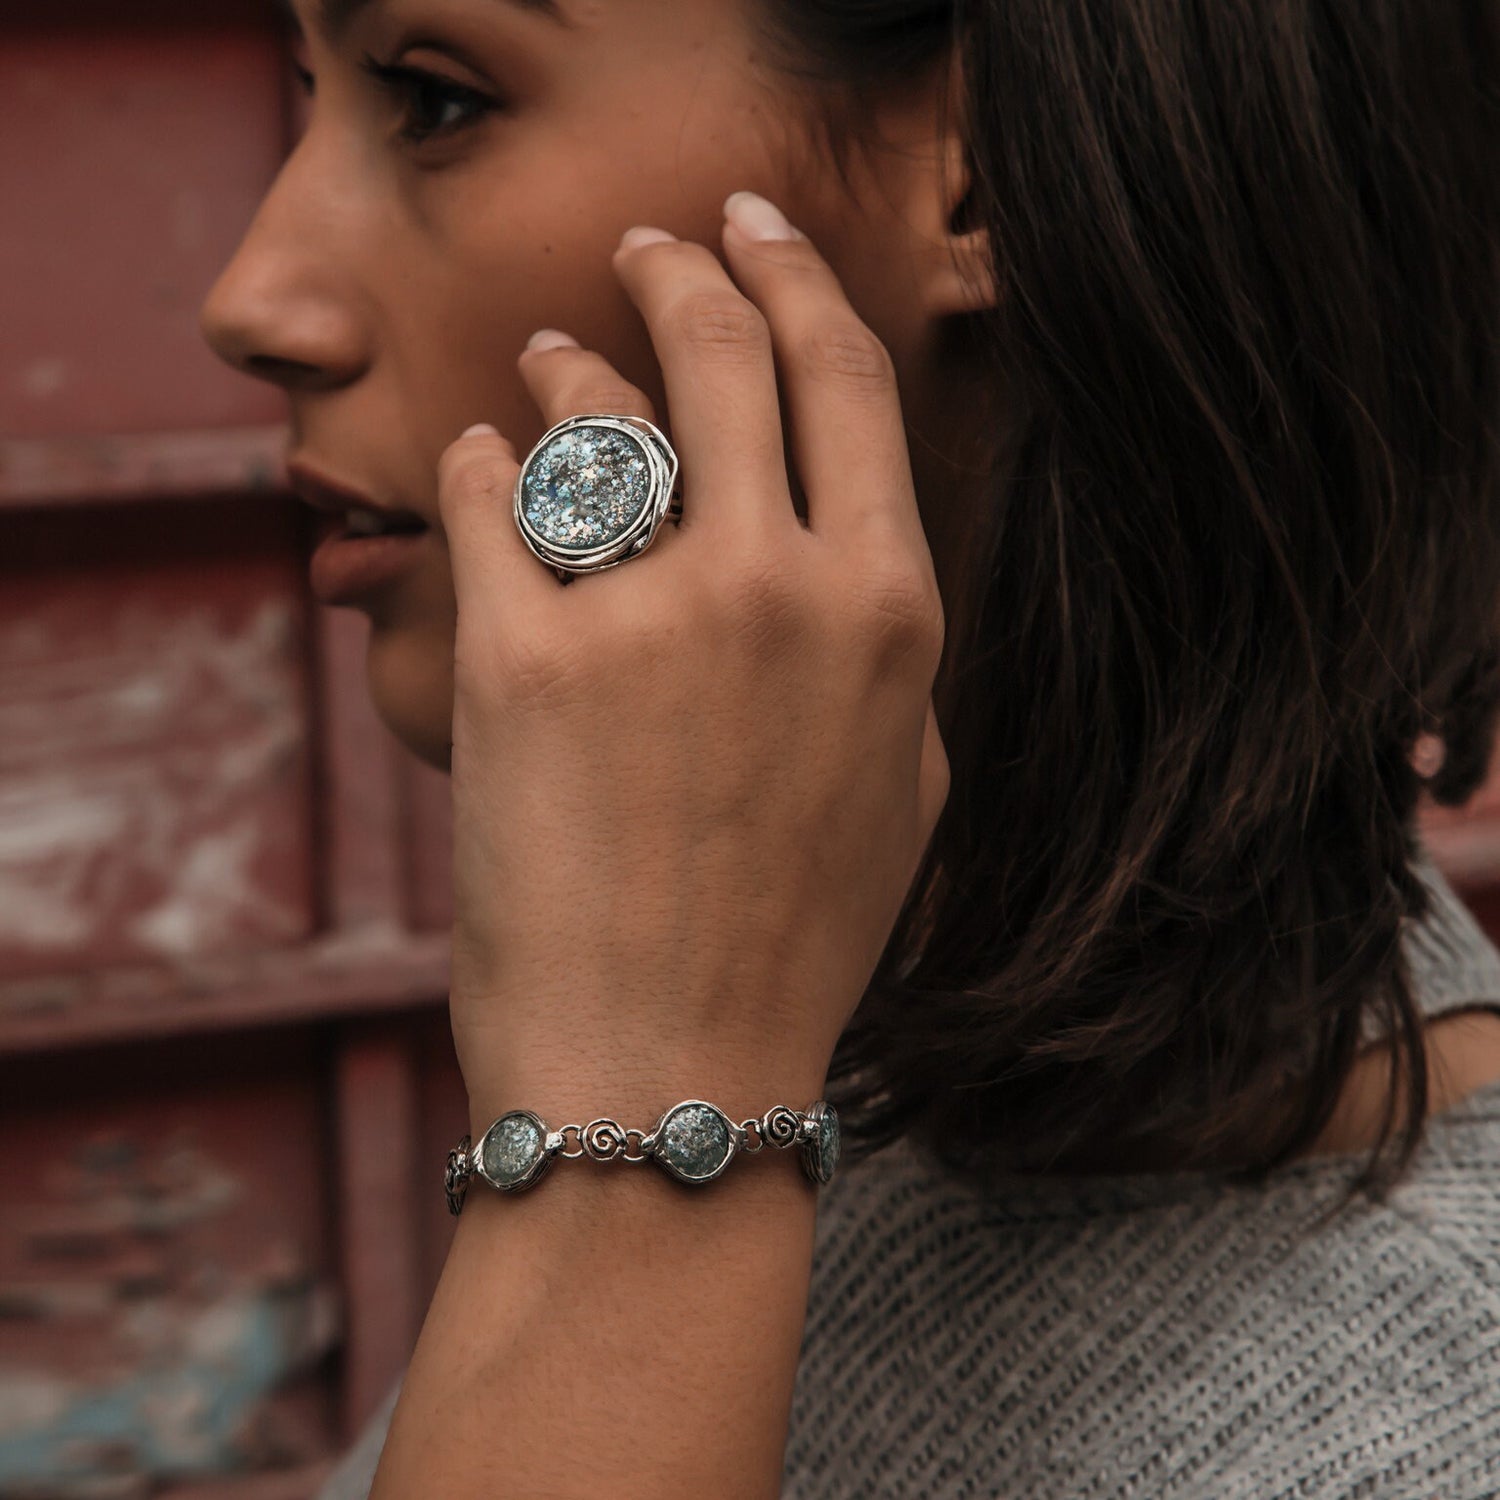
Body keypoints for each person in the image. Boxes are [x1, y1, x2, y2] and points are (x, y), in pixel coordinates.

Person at [199, 0, 1500, 1493]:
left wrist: (634, 1138)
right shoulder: (830, 1073)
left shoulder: (1429, 1422)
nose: (253, 299)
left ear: (990, 168)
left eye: (435, 99)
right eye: (310, 91)